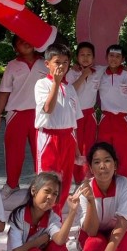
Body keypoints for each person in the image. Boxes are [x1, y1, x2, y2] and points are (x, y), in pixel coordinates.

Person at [77, 142, 127, 251]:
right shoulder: (85, 189)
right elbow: (91, 231)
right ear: (91, 168)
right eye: (97, 162)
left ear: (115, 165)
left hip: (114, 232)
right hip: (93, 233)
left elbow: (122, 223)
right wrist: (91, 200)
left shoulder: (123, 184)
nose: (102, 166)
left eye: (107, 160)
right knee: (93, 245)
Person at [0, 35, 48, 198]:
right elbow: (4, 91)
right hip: (16, 114)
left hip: (41, 114)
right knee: (14, 152)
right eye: (21, 41)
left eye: (28, 39)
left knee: (42, 151)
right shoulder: (12, 65)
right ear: (15, 47)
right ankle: (12, 184)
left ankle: (44, 185)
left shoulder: (46, 63)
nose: (26, 43)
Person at [34, 43, 82, 214]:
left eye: (65, 62)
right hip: (49, 137)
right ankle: (43, 216)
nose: (61, 66)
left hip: (68, 138)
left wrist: (76, 149)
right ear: (47, 64)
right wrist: (55, 82)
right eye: (57, 62)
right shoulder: (42, 84)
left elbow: (74, 121)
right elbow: (48, 108)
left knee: (65, 179)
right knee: (47, 180)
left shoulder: (70, 88)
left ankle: (57, 216)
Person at [97, 44, 127, 179]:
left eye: (117, 56)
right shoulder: (100, 73)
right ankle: (105, 183)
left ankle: (123, 184)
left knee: (124, 154)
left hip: (124, 120)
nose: (114, 59)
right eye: (111, 55)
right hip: (106, 119)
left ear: (123, 59)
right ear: (106, 57)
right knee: (103, 154)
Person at [66, 41, 104, 182]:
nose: (85, 57)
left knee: (89, 145)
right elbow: (70, 91)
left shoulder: (99, 71)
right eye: (82, 55)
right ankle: (77, 177)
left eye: (89, 55)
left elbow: (114, 66)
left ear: (93, 57)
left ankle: (87, 176)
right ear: (77, 57)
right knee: (75, 146)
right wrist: (82, 75)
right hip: (74, 115)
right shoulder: (71, 73)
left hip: (90, 114)